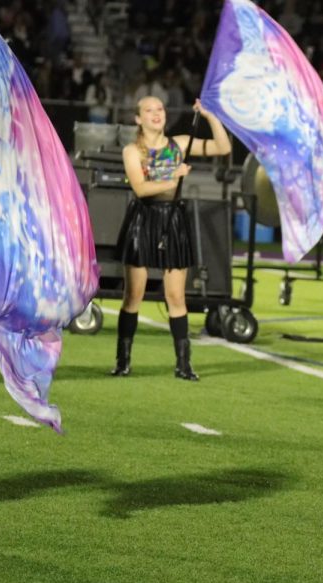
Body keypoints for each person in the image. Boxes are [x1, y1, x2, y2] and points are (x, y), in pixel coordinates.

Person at [111, 96, 231, 380]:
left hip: (173, 219)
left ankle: (184, 364)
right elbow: (140, 189)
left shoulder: (180, 143)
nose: (156, 113)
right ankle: (123, 360)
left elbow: (223, 147)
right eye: (148, 110)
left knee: (176, 296)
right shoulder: (132, 151)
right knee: (133, 296)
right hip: (143, 219)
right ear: (138, 118)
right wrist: (173, 178)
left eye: (160, 108)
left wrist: (210, 115)